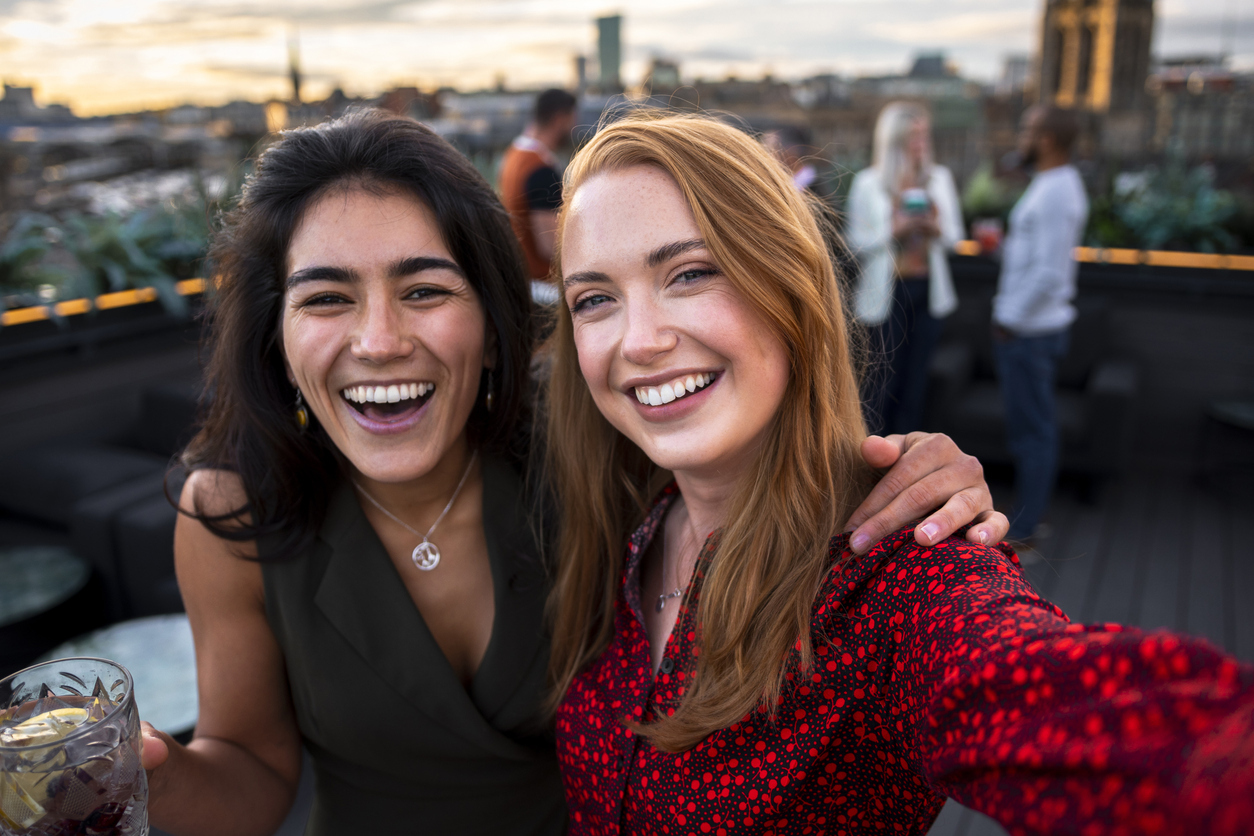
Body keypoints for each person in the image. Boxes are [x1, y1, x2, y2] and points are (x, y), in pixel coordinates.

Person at [134, 109, 1012, 836]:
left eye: (426, 290)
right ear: (277, 342)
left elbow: (742, 413)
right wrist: (148, 774)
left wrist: (914, 476)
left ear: (490, 320)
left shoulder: (590, 446)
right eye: (326, 298)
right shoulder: (233, 514)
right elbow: (248, 773)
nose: (378, 341)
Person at [545, 112, 1254, 835]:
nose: (639, 340)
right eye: (595, 298)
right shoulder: (621, 520)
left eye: (690, 273)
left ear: (791, 284)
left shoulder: (892, 578)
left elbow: (1087, 714)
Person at [993, 105, 1088, 545]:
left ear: (1047, 139)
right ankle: (1028, 520)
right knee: (1029, 428)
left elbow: (1050, 272)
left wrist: (1008, 320)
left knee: (1033, 433)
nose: (1022, 135)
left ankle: (1027, 529)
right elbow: (1036, 259)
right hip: (1027, 329)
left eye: (1028, 129)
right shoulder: (1051, 186)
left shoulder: (1056, 192)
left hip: (1029, 333)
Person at [848, 102, 964, 435]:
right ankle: (870, 461)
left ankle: (906, 465)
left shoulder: (939, 178)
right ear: (893, 138)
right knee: (880, 383)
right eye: (914, 135)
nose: (921, 143)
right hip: (886, 296)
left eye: (924, 135)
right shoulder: (868, 183)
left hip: (928, 292)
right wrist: (893, 231)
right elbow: (854, 243)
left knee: (917, 384)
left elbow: (955, 239)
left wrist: (935, 228)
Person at [500, 88, 578, 283]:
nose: (573, 127)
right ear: (560, 119)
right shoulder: (540, 168)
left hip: (523, 277)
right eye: (572, 120)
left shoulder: (514, 154)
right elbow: (549, 245)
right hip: (544, 284)